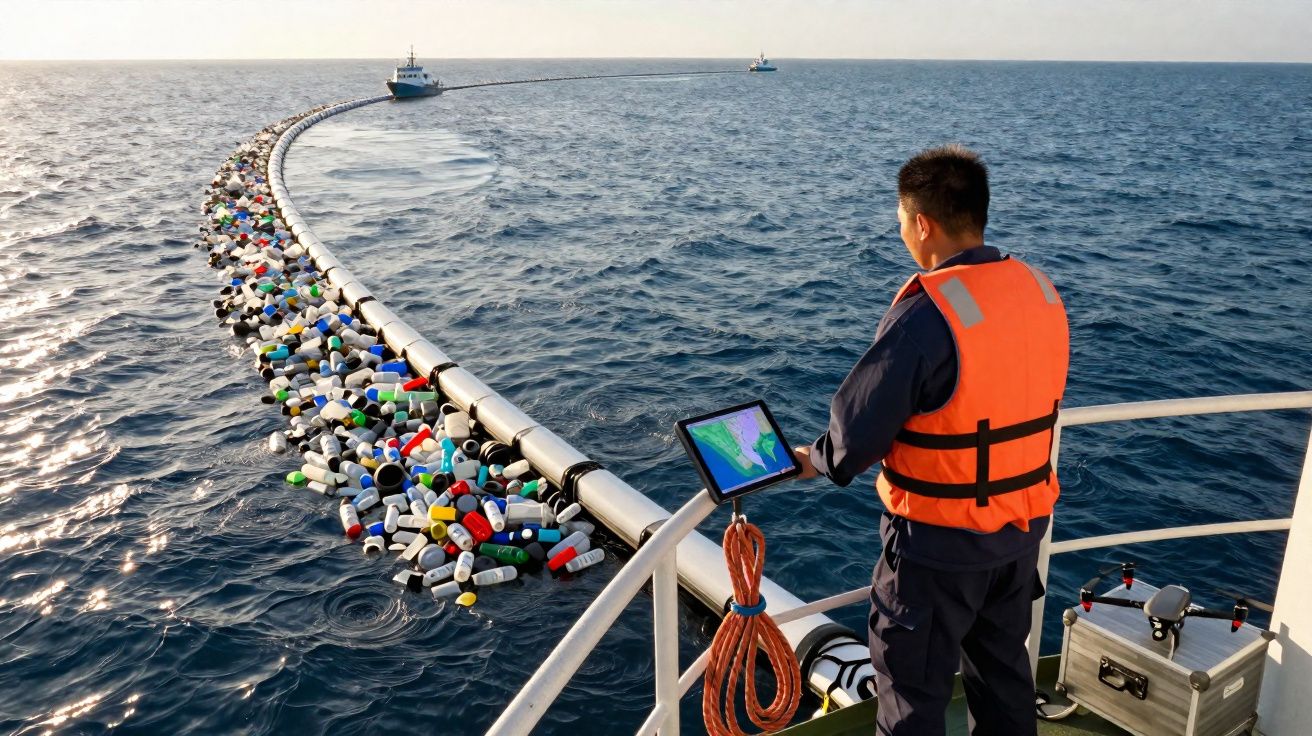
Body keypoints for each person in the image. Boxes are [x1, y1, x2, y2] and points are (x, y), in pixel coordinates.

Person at [792, 144, 1069, 736]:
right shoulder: (1038, 289)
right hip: (1018, 535)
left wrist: (814, 459)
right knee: (1003, 681)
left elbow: (856, 432)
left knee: (911, 695)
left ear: (923, 223)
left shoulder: (928, 312)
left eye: (900, 221)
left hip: (935, 547)